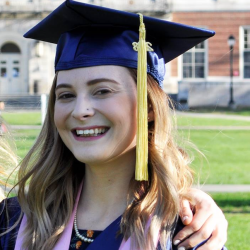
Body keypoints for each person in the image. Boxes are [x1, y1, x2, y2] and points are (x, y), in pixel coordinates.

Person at [0, 1, 228, 250]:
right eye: (66, 95)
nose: (80, 110)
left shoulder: (184, 234)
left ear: (149, 107)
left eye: (102, 91)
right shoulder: (13, 222)